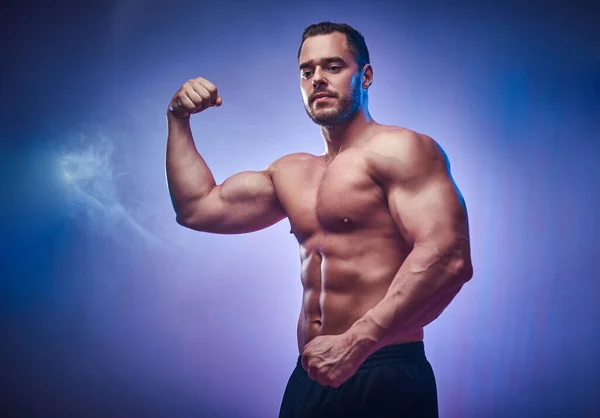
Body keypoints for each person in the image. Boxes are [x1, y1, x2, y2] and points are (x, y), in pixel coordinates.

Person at [166, 21, 473, 418]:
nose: (318, 80)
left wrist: (358, 342)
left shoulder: (403, 150)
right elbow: (196, 207)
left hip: (384, 369)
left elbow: (449, 258)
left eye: (333, 67)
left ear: (365, 76)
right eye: (307, 71)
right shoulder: (291, 173)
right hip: (311, 375)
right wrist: (178, 119)